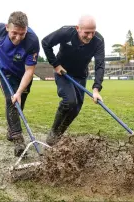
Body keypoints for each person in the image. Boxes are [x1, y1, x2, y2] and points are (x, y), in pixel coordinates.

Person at [0, 11, 40, 157]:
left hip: (23, 75)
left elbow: (29, 71)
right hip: (5, 71)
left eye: (22, 34)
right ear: (7, 27)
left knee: (19, 104)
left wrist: (19, 91)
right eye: (14, 33)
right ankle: (18, 140)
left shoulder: (32, 41)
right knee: (11, 101)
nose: (18, 38)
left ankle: (11, 129)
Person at [42, 15, 105, 146]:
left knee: (76, 108)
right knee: (70, 101)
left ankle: (58, 136)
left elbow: (100, 65)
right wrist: (56, 64)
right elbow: (45, 42)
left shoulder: (98, 40)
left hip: (80, 75)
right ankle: (53, 132)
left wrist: (96, 89)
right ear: (78, 28)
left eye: (93, 32)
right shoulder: (66, 32)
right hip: (63, 73)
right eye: (86, 32)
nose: (90, 36)